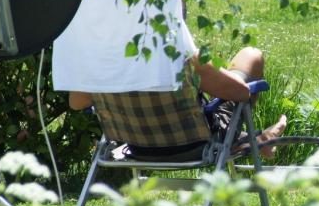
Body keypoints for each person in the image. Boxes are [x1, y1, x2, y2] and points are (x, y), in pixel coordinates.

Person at [69, 47, 288, 159]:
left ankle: (259, 141)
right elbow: (240, 93)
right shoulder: (184, 58)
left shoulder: (108, 58)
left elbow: (76, 102)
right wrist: (206, 73)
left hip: (135, 144)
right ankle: (259, 141)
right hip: (192, 144)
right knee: (251, 55)